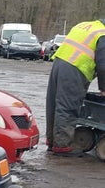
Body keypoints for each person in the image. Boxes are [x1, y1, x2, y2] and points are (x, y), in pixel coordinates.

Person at [45, 18, 105, 156]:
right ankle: (63, 146)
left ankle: (52, 141)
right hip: (75, 68)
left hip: (59, 63)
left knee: (54, 104)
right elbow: (103, 65)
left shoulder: (85, 25)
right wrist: (103, 89)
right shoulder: (103, 34)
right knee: (68, 106)